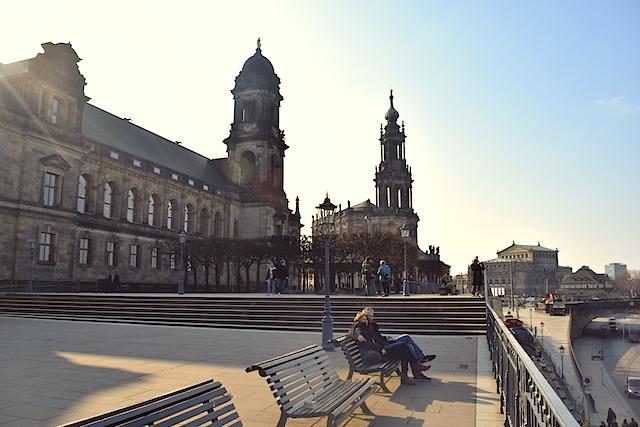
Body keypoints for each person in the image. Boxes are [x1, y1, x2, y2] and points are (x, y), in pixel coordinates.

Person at [350, 312, 430, 384]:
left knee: (404, 350)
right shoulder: (359, 329)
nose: (365, 321)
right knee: (404, 344)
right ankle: (416, 365)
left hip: (380, 351)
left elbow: (376, 337)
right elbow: (365, 341)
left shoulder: (368, 328)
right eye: (363, 319)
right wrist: (380, 349)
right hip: (374, 355)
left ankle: (405, 377)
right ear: (359, 320)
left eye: (366, 319)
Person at [362, 307, 436, 364]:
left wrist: (386, 338)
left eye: (372, 316)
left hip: (387, 343)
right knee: (405, 345)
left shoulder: (373, 325)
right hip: (384, 348)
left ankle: (421, 357)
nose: (371, 318)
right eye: (369, 316)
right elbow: (355, 329)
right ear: (364, 316)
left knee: (406, 337)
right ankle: (419, 360)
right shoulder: (364, 326)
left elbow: (379, 337)